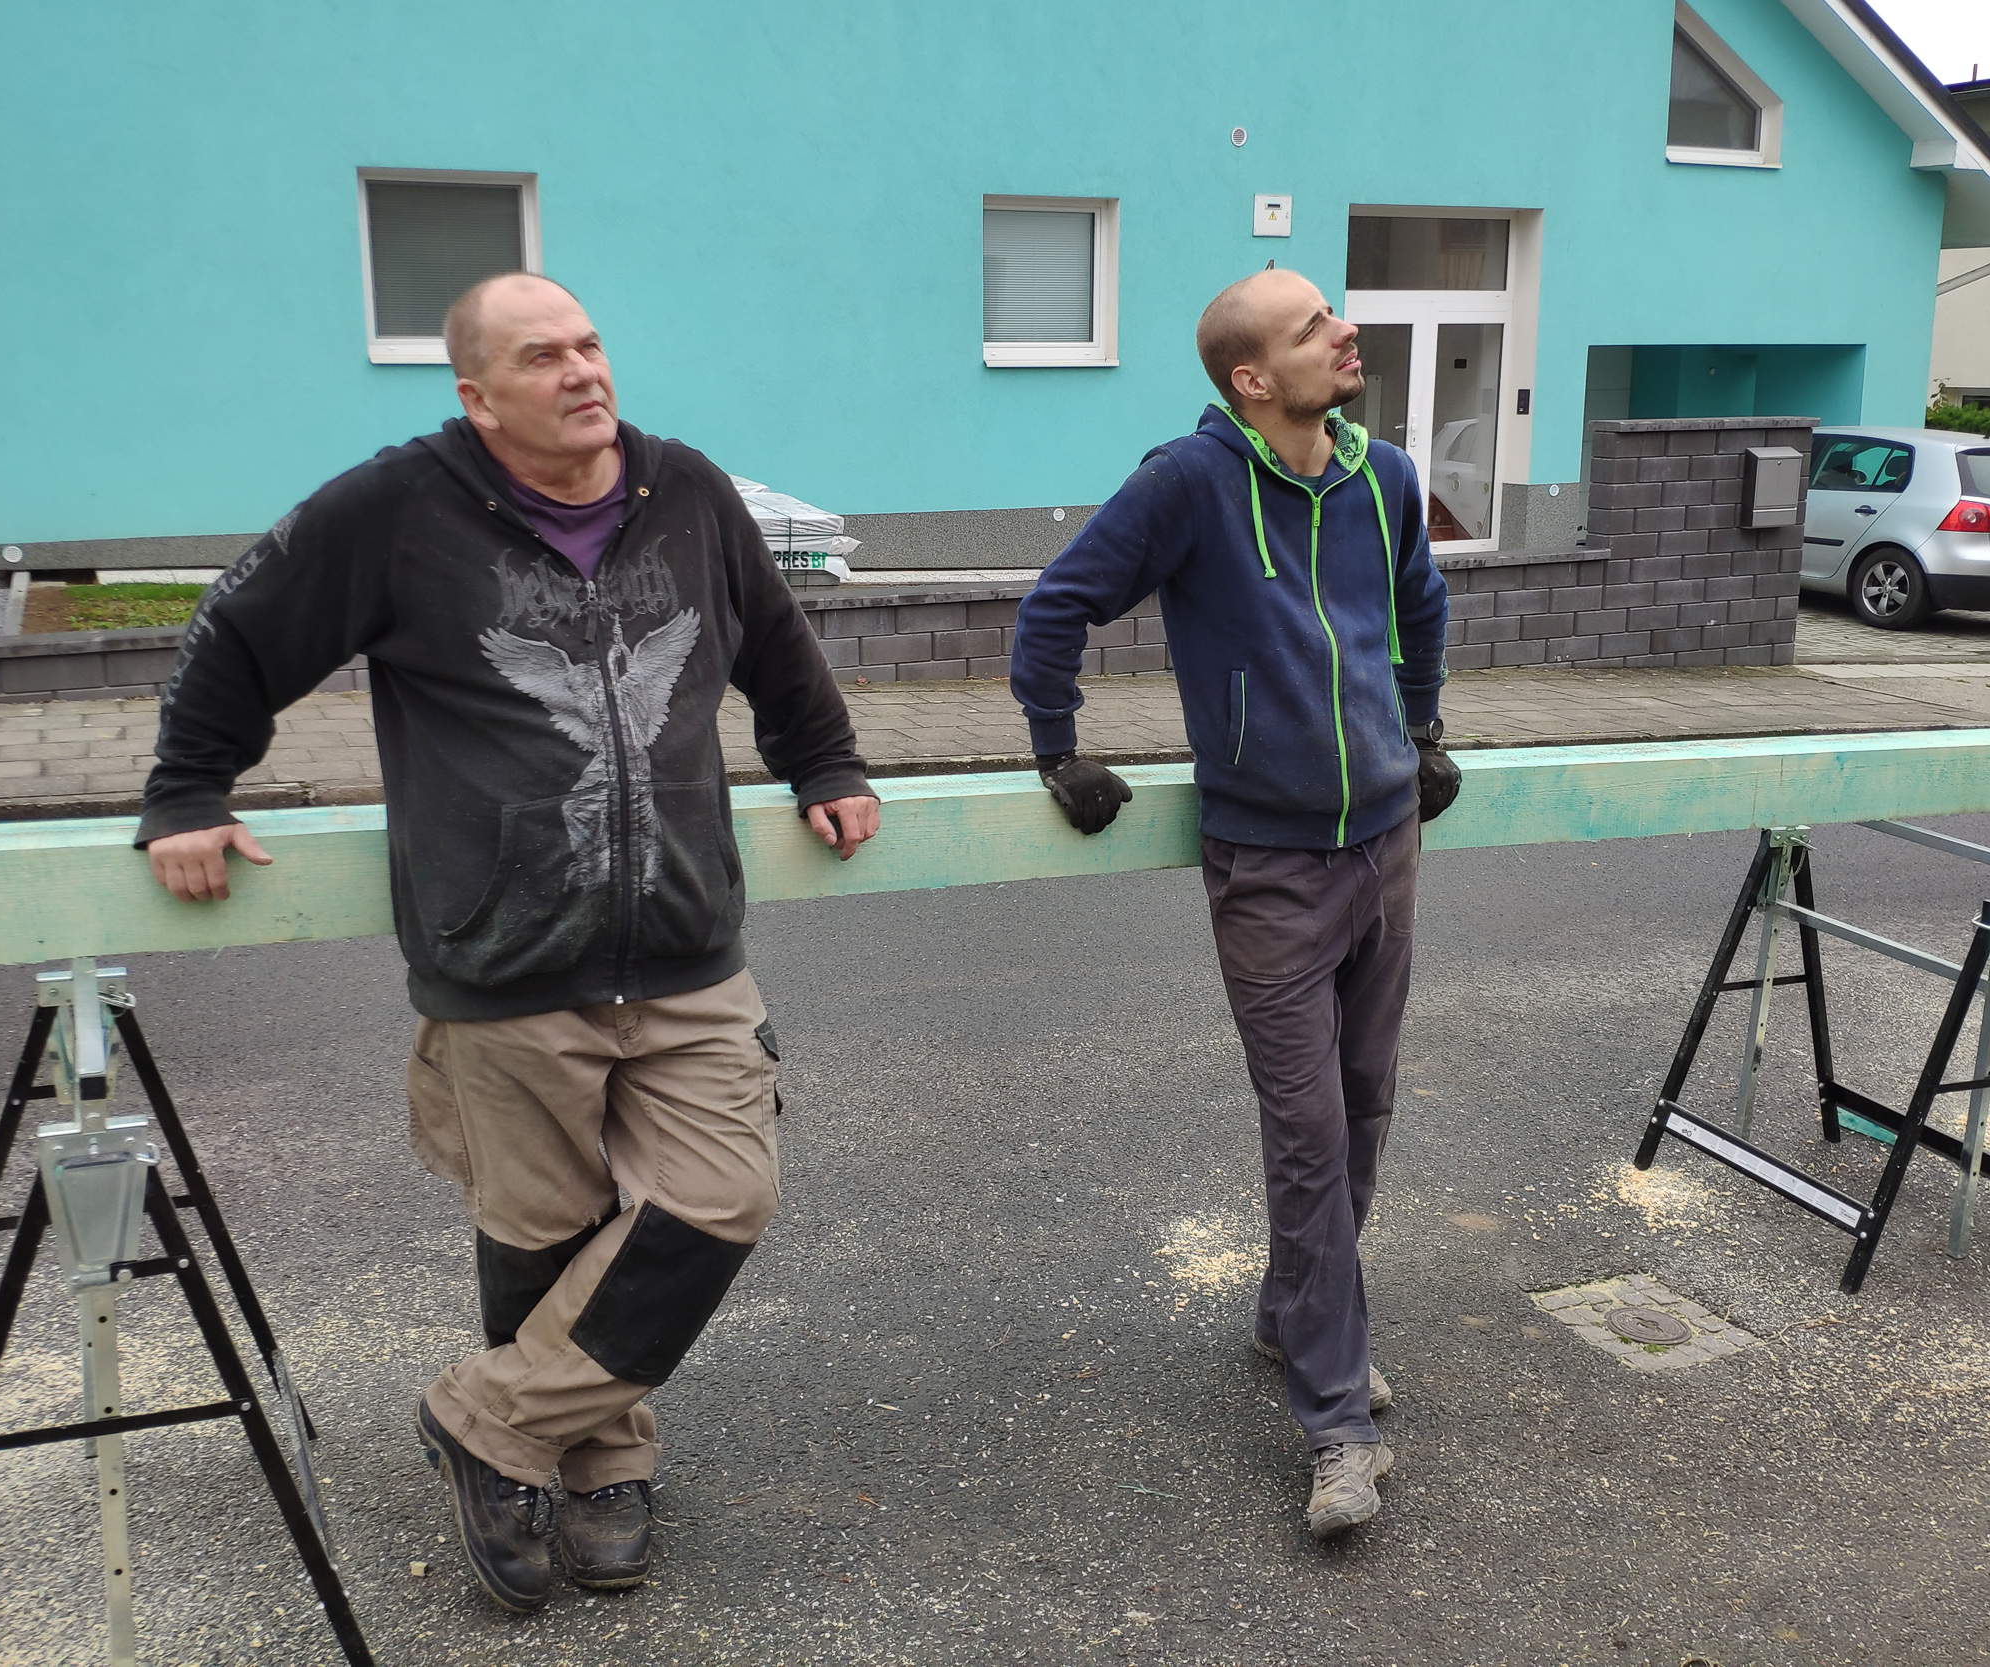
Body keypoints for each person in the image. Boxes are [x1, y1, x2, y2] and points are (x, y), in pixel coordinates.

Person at [137, 272, 880, 1609]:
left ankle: (488, 1419)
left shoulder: (687, 491)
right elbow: (238, 631)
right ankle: (599, 1464)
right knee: (540, 1226)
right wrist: (190, 790)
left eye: (590, 343)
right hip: (503, 947)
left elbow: (772, 642)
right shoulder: (393, 509)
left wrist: (823, 759)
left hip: (685, 939)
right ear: (477, 395)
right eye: (543, 356)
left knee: (722, 1195)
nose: (583, 370)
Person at [1009, 268, 1458, 1538]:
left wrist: (1423, 727)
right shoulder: (1188, 483)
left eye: (1333, 314)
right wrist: (1058, 749)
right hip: (1267, 865)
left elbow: (1419, 604)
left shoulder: (1384, 476)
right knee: (1308, 1136)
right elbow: (1055, 606)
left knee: (1362, 1110)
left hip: (1384, 844)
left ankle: (1290, 1315)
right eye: (1314, 327)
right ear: (1252, 378)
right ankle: (1337, 1422)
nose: (1345, 331)